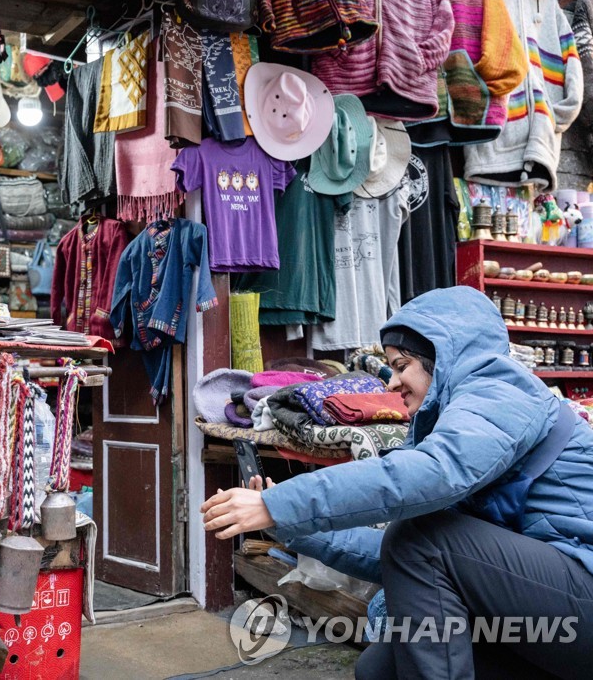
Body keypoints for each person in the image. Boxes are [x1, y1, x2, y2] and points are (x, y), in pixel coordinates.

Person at [201, 287, 593, 679]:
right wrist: (286, 525)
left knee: (421, 540)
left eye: (402, 365)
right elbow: (391, 553)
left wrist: (280, 502)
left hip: (583, 599)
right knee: (380, 668)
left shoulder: (501, 389)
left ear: (442, 355)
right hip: (556, 614)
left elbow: (429, 477)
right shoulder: (455, 417)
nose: (391, 383)